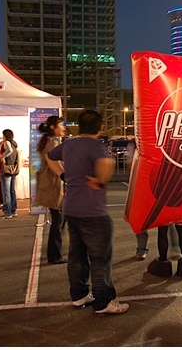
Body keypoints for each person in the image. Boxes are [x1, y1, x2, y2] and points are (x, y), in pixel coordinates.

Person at [46, 109, 129, 315]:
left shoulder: (69, 144)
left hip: (71, 208)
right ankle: (103, 301)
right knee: (100, 257)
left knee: (77, 255)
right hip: (93, 210)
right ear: (100, 127)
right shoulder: (96, 146)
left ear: (80, 127)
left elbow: (49, 157)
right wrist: (100, 180)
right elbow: (106, 165)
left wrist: (63, 174)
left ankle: (79, 295)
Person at [36, 116, 67, 264]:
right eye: (61, 125)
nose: (64, 127)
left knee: (59, 219)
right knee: (58, 220)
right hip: (53, 185)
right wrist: (65, 176)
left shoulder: (49, 141)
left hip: (51, 184)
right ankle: (54, 255)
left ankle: (56, 252)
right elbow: (54, 163)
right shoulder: (53, 143)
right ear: (54, 127)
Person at [0, 129, 19, 219]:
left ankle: (7, 212)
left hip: (7, 169)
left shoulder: (7, 143)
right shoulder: (14, 144)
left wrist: (2, 157)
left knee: (6, 191)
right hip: (13, 169)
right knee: (11, 191)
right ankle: (13, 210)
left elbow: (8, 150)